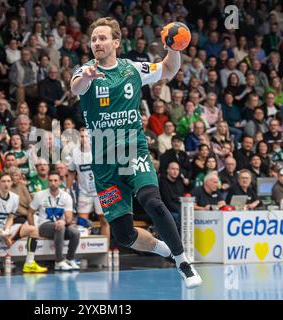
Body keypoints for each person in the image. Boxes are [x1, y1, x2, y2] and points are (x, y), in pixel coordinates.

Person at [70, 17, 202, 288]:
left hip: (133, 149)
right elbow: (76, 88)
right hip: (104, 161)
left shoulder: (132, 69)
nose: (97, 42)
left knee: (152, 201)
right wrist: (86, 77)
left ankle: (183, 262)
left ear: (116, 42)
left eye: (103, 38)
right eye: (94, 39)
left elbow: (167, 69)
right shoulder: (85, 70)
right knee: (123, 235)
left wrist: (174, 49)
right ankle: (164, 249)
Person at [0, 172, 48, 274]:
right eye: (3, 181)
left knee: (33, 229)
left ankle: (29, 264)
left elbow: (10, 218)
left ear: (11, 183)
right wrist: (3, 234)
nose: (6, 184)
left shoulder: (15, 198)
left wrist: (7, 230)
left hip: (5, 227)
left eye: (8, 181)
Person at [28, 172, 80, 271]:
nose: (53, 183)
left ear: (60, 182)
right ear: (48, 182)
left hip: (61, 225)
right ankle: (59, 261)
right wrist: (33, 229)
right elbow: (30, 213)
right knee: (60, 227)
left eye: (55, 180)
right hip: (44, 225)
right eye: (50, 180)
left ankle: (70, 259)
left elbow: (69, 218)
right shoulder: (40, 195)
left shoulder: (66, 196)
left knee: (75, 233)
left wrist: (64, 222)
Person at [67, 129, 110, 244]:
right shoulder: (75, 153)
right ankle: (82, 251)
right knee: (81, 222)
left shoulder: (98, 150)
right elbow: (71, 172)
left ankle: (104, 252)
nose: (84, 139)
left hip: (101, 191)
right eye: (82, 136)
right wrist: (67, 188)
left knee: (105, 220)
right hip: (84, 192)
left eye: (87, 136)